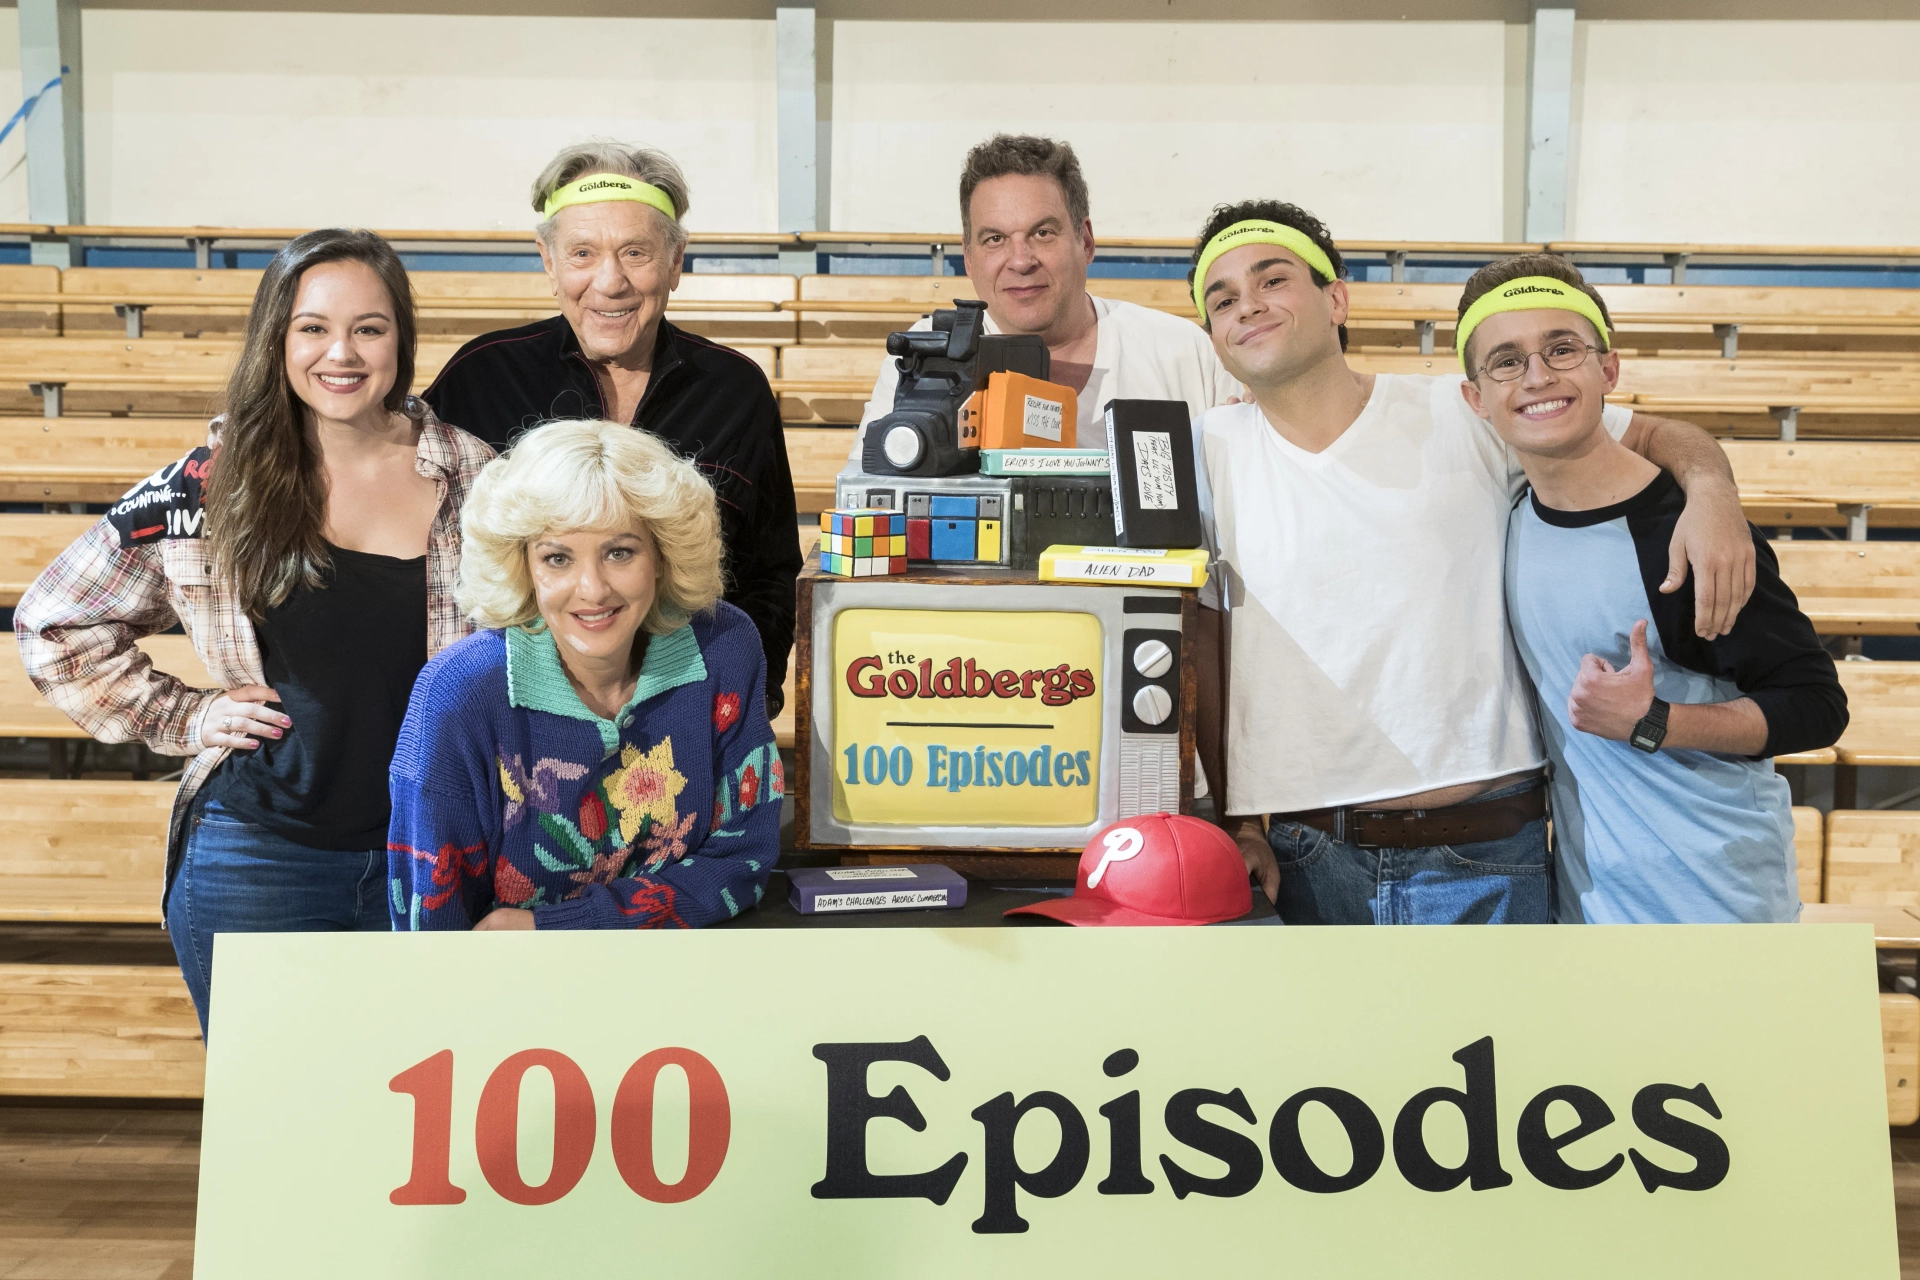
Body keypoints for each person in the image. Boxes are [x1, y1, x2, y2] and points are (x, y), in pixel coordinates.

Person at [1187, 200, 1761, 926]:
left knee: (1503, 1045)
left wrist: (1710, 490)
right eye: (1224, 298)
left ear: (1336, 297)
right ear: (1213, 335)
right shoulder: (1203, 450)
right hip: (1305, 856)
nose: (1249, 307)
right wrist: (1234, 823)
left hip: (1489, 842)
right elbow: (1204, 645)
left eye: (1273, 280)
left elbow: (1654, 434)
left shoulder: (1465, 411)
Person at [14, 229, 494, 1036]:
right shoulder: (209, 483)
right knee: (276, 1135)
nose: (340, 352)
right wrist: (188, 716)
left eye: (368, 328)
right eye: (312, 328)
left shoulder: (480, 478)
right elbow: (56, 621)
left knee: (416, 1128)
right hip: (257, 859)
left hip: (434, 857)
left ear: (400, 341)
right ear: (276, 339)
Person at [1455, 257, 1847, 923]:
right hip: (1590, 911)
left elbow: (1816, 706)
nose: (1538, 376)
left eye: (1562, 349)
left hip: (1721, 907)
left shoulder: (1686, 535)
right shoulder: (1513, 513)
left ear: (1608, 370)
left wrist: (1655, 723)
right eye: (1507, 360)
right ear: (1475, 399)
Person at [423, 141, 800, 716]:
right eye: (581, 253)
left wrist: (743, 695)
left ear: (675, 263)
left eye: (635, 252)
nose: (610, 281)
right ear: (548, 261)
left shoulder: (733, 390)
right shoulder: (481, 376)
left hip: (685, 709)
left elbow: (768, 572)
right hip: (511, 718)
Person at [387, 419, 780, 931]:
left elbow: (742, 861)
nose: (592, 589)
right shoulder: (456, 695)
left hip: (688, 979)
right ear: (522, 565)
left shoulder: (725, 648)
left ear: (662, 556)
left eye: (620, 552)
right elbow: (435, 935)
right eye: (557, 558)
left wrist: (554, 927)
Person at [845, 133, 1239, 469]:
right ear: (968, 257)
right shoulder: (927, 351)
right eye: (995, 239)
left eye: (1043, 233)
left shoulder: (1182, 350)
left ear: (1084, 241)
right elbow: (869, 496)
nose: (1020, 261)